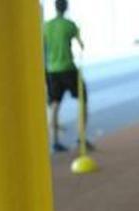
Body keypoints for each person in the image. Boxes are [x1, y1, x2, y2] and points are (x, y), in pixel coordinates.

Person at [43, 0, 92, 152]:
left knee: (54, 104)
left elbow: (42, 47)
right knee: (82, 99)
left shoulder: (46, 26)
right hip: (68, 69)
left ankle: (55, 142)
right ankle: (81, 138)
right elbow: (81, 45)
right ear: (66, 8)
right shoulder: (70, 25)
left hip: (51, 70)